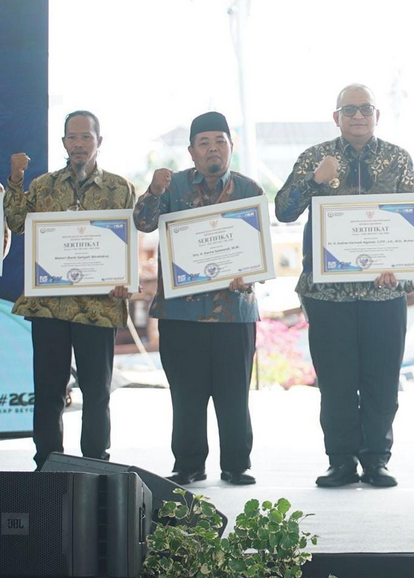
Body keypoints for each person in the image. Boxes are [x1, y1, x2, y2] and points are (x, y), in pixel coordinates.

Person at [275, 84, 414, 488]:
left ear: (377, 116)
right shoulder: (314, 158)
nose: (358, 116)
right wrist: (312, 181)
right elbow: (284, 210)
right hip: (327, 295)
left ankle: (376, 460)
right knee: (336, 383)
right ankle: (340, 461)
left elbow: (411, 220)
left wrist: (400, 267)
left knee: (382, 381)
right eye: (350, 109)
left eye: (366, 109)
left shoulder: (398, 159)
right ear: (336, 117)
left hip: (383, 292)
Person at [134, 111, 261, 486]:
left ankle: (237, 464)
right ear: (192, 151)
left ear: (231, 147)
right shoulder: (171, 188)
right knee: (186, 396)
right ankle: (189, 464)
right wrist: (153, 191)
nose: (212, 149)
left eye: (219, 141)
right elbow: (142, 223)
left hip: (234, 312)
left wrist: (248, 277)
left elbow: (258, 251)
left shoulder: (249, 190)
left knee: (233, 395)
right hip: (180, 313)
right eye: (204, 143)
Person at [3, 110, 135, 469]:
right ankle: (47, 461)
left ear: (99, 141)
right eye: (72, 138)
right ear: (63, 143)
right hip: (50, 307)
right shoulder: (43, 186)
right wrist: (16, 180)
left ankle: (97, 462)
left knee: (97, 392)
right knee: (48, 392)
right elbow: (15, 224)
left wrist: (125, 279)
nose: (79, 144)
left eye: (86, 137)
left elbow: (127, 242)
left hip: (99, 306)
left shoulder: (119, 188)